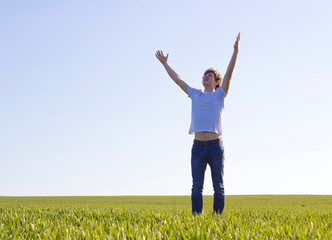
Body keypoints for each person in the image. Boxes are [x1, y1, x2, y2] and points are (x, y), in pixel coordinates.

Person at [155, 33, 240, 214]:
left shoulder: (220, 94)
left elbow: (229, 74)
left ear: (216, 82)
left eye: (210, 75)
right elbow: (178, 80)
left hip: (216, 146)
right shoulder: (195, 94)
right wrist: (165, 64)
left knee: (218, 186)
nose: (206, 77)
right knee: (196, 187)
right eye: (204, 75)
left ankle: (217, 220)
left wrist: (235, 52)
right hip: (198, 146)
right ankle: (197, 220)